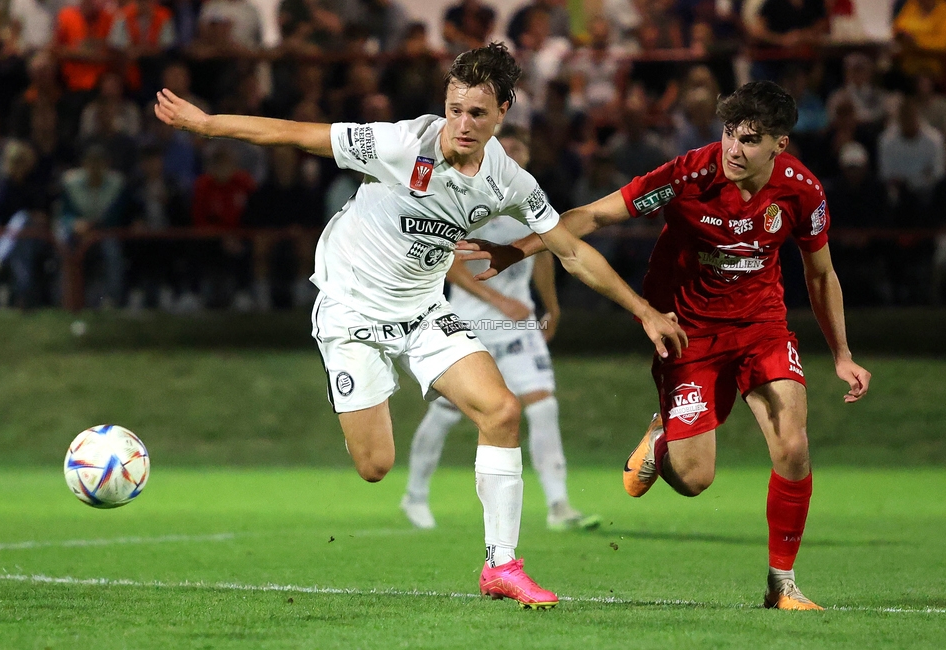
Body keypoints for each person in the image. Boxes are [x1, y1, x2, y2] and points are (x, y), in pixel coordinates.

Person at [154, 42, 687, 609]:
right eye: (455, 108)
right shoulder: (400, 143)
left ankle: (501, 566)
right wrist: (208, 124)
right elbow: (296, 133)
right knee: (375, 466)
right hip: (350, 307)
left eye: (477, 113)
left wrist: (645, 311)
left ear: (503, 112)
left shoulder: (509, 181)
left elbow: (572, 252)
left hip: (423, 310)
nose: (461, 123)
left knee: (502, 411)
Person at [458, 81, 872, 611]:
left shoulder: (802, 191)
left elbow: (821, 274)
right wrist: (517, 251)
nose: (734, 149)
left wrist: (841, 353)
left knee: (792, 444)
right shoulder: (689, 174)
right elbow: (594, 215)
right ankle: (661, 439)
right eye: (729, 134)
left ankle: (781, 585)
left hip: (762, 326)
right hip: (688, 330)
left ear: (779, 144)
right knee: (696, 479)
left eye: (749, 139)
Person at [401, 125, 601, 532]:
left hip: (519, 325)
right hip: (469, 323)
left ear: (526, 154)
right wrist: (498, 301)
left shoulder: (527, 195)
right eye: (505, 146)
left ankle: (559, 505)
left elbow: (544, 251)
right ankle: (414, 496)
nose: (512, 152)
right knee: (445, 414)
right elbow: (449, 262)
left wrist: (551, 305)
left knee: (543, 406)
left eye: (519, 147)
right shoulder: (464, 191)